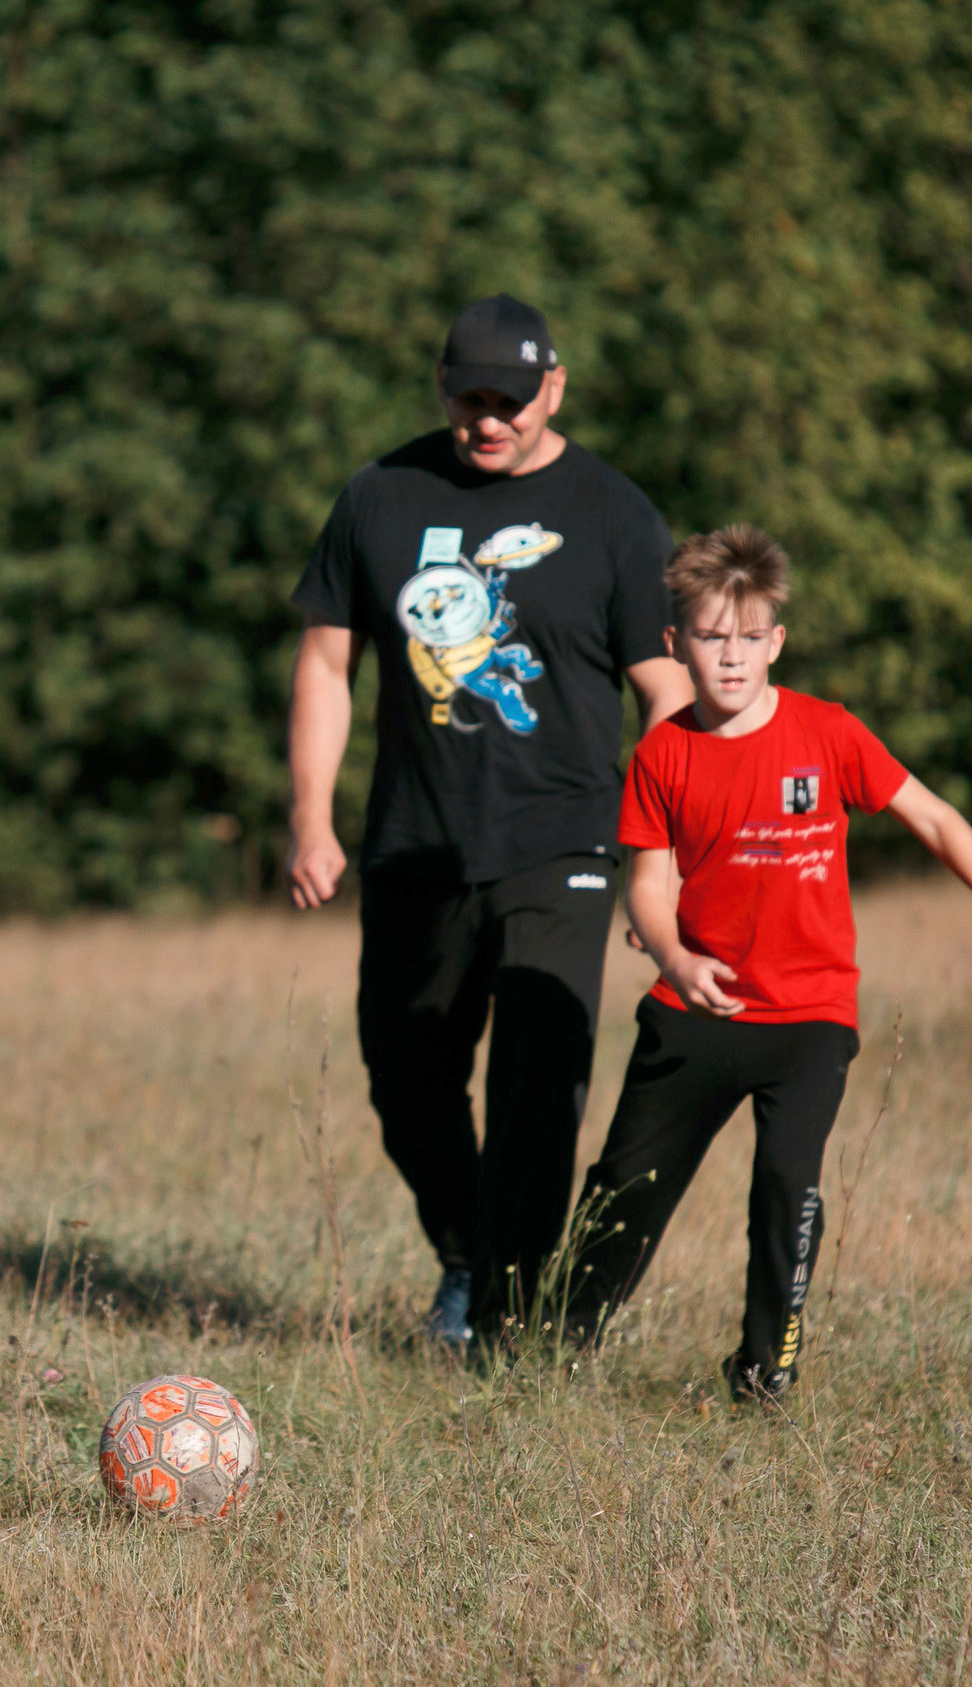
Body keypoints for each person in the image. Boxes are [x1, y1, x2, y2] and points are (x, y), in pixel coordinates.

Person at [560, 525, 972, 1398]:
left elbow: (936, 818)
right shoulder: (662, 754)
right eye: (712, 637)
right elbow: (645, 884)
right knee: (624, 1189)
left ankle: (765, 1370)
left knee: (786, 1186)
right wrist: (674, 958)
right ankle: (557, 1348)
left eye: (750, 638)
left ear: (776, 642)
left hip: (809, 1017)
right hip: (697, 1010)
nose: (731, 656)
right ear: (676, 645)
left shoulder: (826, 733)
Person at [286, 294, 692, 1348]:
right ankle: (469, 1257)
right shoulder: (381, 495)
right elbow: (328, 663)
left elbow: (667, 694)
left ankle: (509, 1323)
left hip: (563, 837)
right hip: (415, 842)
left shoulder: (612, 514)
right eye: (472, 398)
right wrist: (310, 818)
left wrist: (663, 854)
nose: (490, 419)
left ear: (553, 386)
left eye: (511, 399)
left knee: (535, 1082)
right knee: (404, 1079)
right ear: (444, 389)